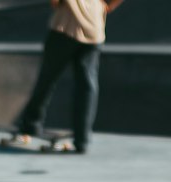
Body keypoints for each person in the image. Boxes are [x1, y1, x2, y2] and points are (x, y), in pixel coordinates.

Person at [11, 0, 126, 155]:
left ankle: (31, 126)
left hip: (65, 26)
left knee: (47, 78)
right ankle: (82, 140)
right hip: (94, 27)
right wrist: (106, 6)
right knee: (87, 85)